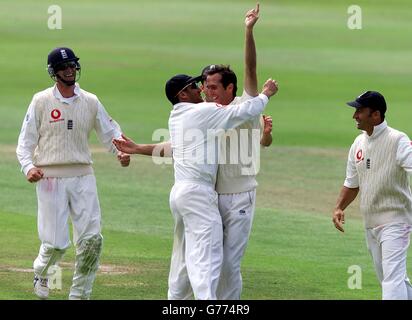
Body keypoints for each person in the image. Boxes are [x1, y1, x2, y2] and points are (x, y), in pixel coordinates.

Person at [16, 47, 130, 300]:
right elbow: (25, 143)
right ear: (53, 72)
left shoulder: (90, 100)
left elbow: (111, 133)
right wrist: (28, 167)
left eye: (72, 66)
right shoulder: (41, 101)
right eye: (64, 67)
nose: (70, 70)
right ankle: (41, 270)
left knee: (91, 241)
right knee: (56, 243)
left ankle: (79, 295)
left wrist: (121, 152)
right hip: (49, 178)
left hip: (83, 176)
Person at [155, 73, 277, 300]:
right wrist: (266, 94)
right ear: (182, 94)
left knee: (183, 256)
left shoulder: (177, 116)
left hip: (180, 193)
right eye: (194, 87)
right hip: (198, 194)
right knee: (207, 256)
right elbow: (243, 111)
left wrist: (136, 148)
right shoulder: (203, 112)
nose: (201, 90)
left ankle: (176, 301)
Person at [200, 4, 272, 300]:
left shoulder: (247, 106)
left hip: (241, 194)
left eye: (214, 86)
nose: (208, 91)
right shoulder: (202, 112)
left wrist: (248, 30)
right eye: (206, 86)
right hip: (209, 194)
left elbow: (251, 69)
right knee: (211, 259)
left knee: (230, 263)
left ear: (231, 88)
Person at [332, 91, 412, 300]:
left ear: (375, 115)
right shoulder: (358, 144)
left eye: (359, 111)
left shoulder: (398, 140)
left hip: (396, 221)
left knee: (392, 281)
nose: (355, 115)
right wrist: (339, 207)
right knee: (392, 278)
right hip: (371, 223)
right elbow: (352, 183)